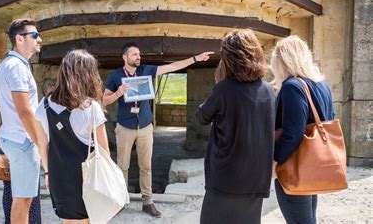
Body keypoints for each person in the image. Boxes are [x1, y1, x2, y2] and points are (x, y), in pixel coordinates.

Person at [103, 42, 213, 217]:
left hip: (145, 126)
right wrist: (118, 93)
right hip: (125, 127)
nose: (139, 57)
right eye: (134, 54)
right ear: (125, 57)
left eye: (139, 54)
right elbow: (104, 100)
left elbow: (173, 66)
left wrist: (195, 59)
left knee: (145, 166)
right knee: (122, 166)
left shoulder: (146, 70)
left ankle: (148, 202)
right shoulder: (116, 76)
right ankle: (120, 201)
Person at [196, 29, 275, 224]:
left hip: (225, 177)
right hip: (256, 177)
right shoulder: (268, 90)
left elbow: (201, 117)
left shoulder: (224, 89)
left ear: (228, 59)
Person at [35, 49, 110, 224]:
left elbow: (42, 144)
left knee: (67, 220)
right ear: (88, 75)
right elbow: (104, 150)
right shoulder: (92, 108)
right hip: (85, 178)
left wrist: (48, 172)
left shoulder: (43, 106)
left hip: (58, 175)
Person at [270, 35, 335, 223]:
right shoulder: (322, 85)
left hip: (295, 165)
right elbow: (329, 120)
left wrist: (276, 160)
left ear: (283, 60)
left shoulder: (292, 86)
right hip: (313, 162)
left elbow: (293, 132)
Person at [0, 18, 42, 224]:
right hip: (23, 142)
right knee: (23, 200)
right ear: (19, 39)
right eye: (35, 35)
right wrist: (41, 142)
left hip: (11, 138)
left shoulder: (8, 64)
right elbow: (25, 112)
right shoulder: (17, 68)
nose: (40, 39)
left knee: (21, 198)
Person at [0, 100, 42, 224]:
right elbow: (1, 120)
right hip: (17, 144)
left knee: (27, 193)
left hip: (17, 143)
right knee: (13, 190)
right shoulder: (14, 91)